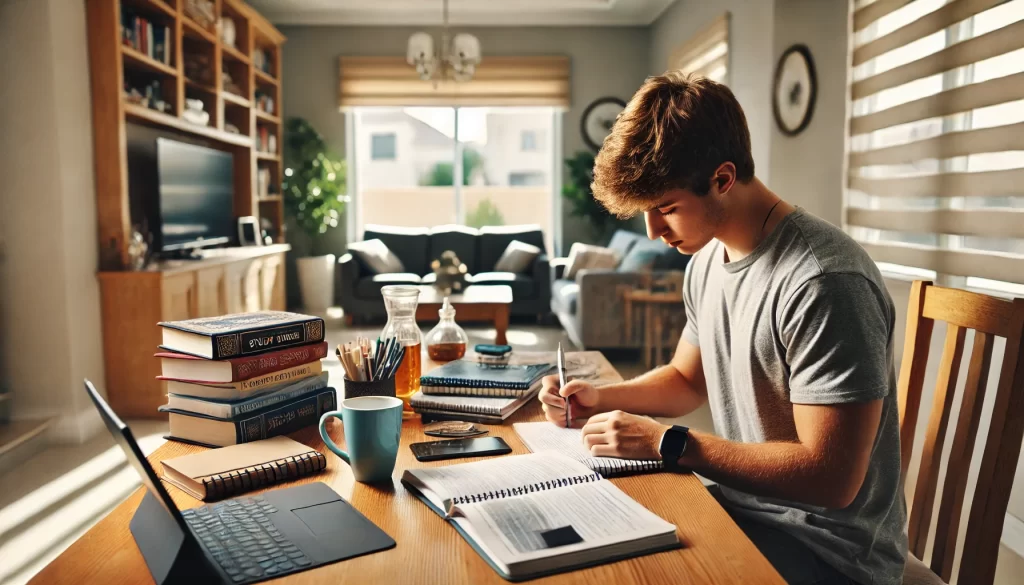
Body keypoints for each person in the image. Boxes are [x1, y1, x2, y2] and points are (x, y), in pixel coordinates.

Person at [538, 72, 906, 585]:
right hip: (745, 513)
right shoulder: (708, 262)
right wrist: (597, 398)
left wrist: (671, 443)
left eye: (666, 208)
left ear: (723, 179)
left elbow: (833, 479)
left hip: (828, 554)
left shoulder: (823, 281)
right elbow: (687, 380)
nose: (653, 230)